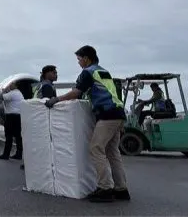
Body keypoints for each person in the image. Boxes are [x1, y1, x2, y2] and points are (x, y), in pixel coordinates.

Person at [45, 45, 130, 203]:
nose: (78, 62)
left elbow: (77, 93)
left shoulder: (88, 72)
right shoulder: (103, 71)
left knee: (96, 148)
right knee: (112, 152)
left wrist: (56, 99)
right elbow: (113, 93)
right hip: (118, 113)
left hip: (107, 114)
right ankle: (121, 189)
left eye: (79, 59)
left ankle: (105, 188)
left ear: (86, 58)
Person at [21, 65, 59, 170]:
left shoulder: (38, 85)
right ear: (47, 74)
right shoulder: (47, 86)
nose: (56, 75)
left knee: (33, 142)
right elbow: (48, 103)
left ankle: (28, 162)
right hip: (43, 118)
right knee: (43, 143)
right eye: (54, 73)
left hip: (34, 116)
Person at [0, 80, 24, 160]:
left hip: (11, 117)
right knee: (18, 136)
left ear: (15, 85)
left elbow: (1, 97)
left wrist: (4, 91)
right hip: (18, 117)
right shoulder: (19, 94)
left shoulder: (12, 93)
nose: (10, 85)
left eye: (11, 84)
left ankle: (6, 155)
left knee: (9, 136)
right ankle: (19, 154)